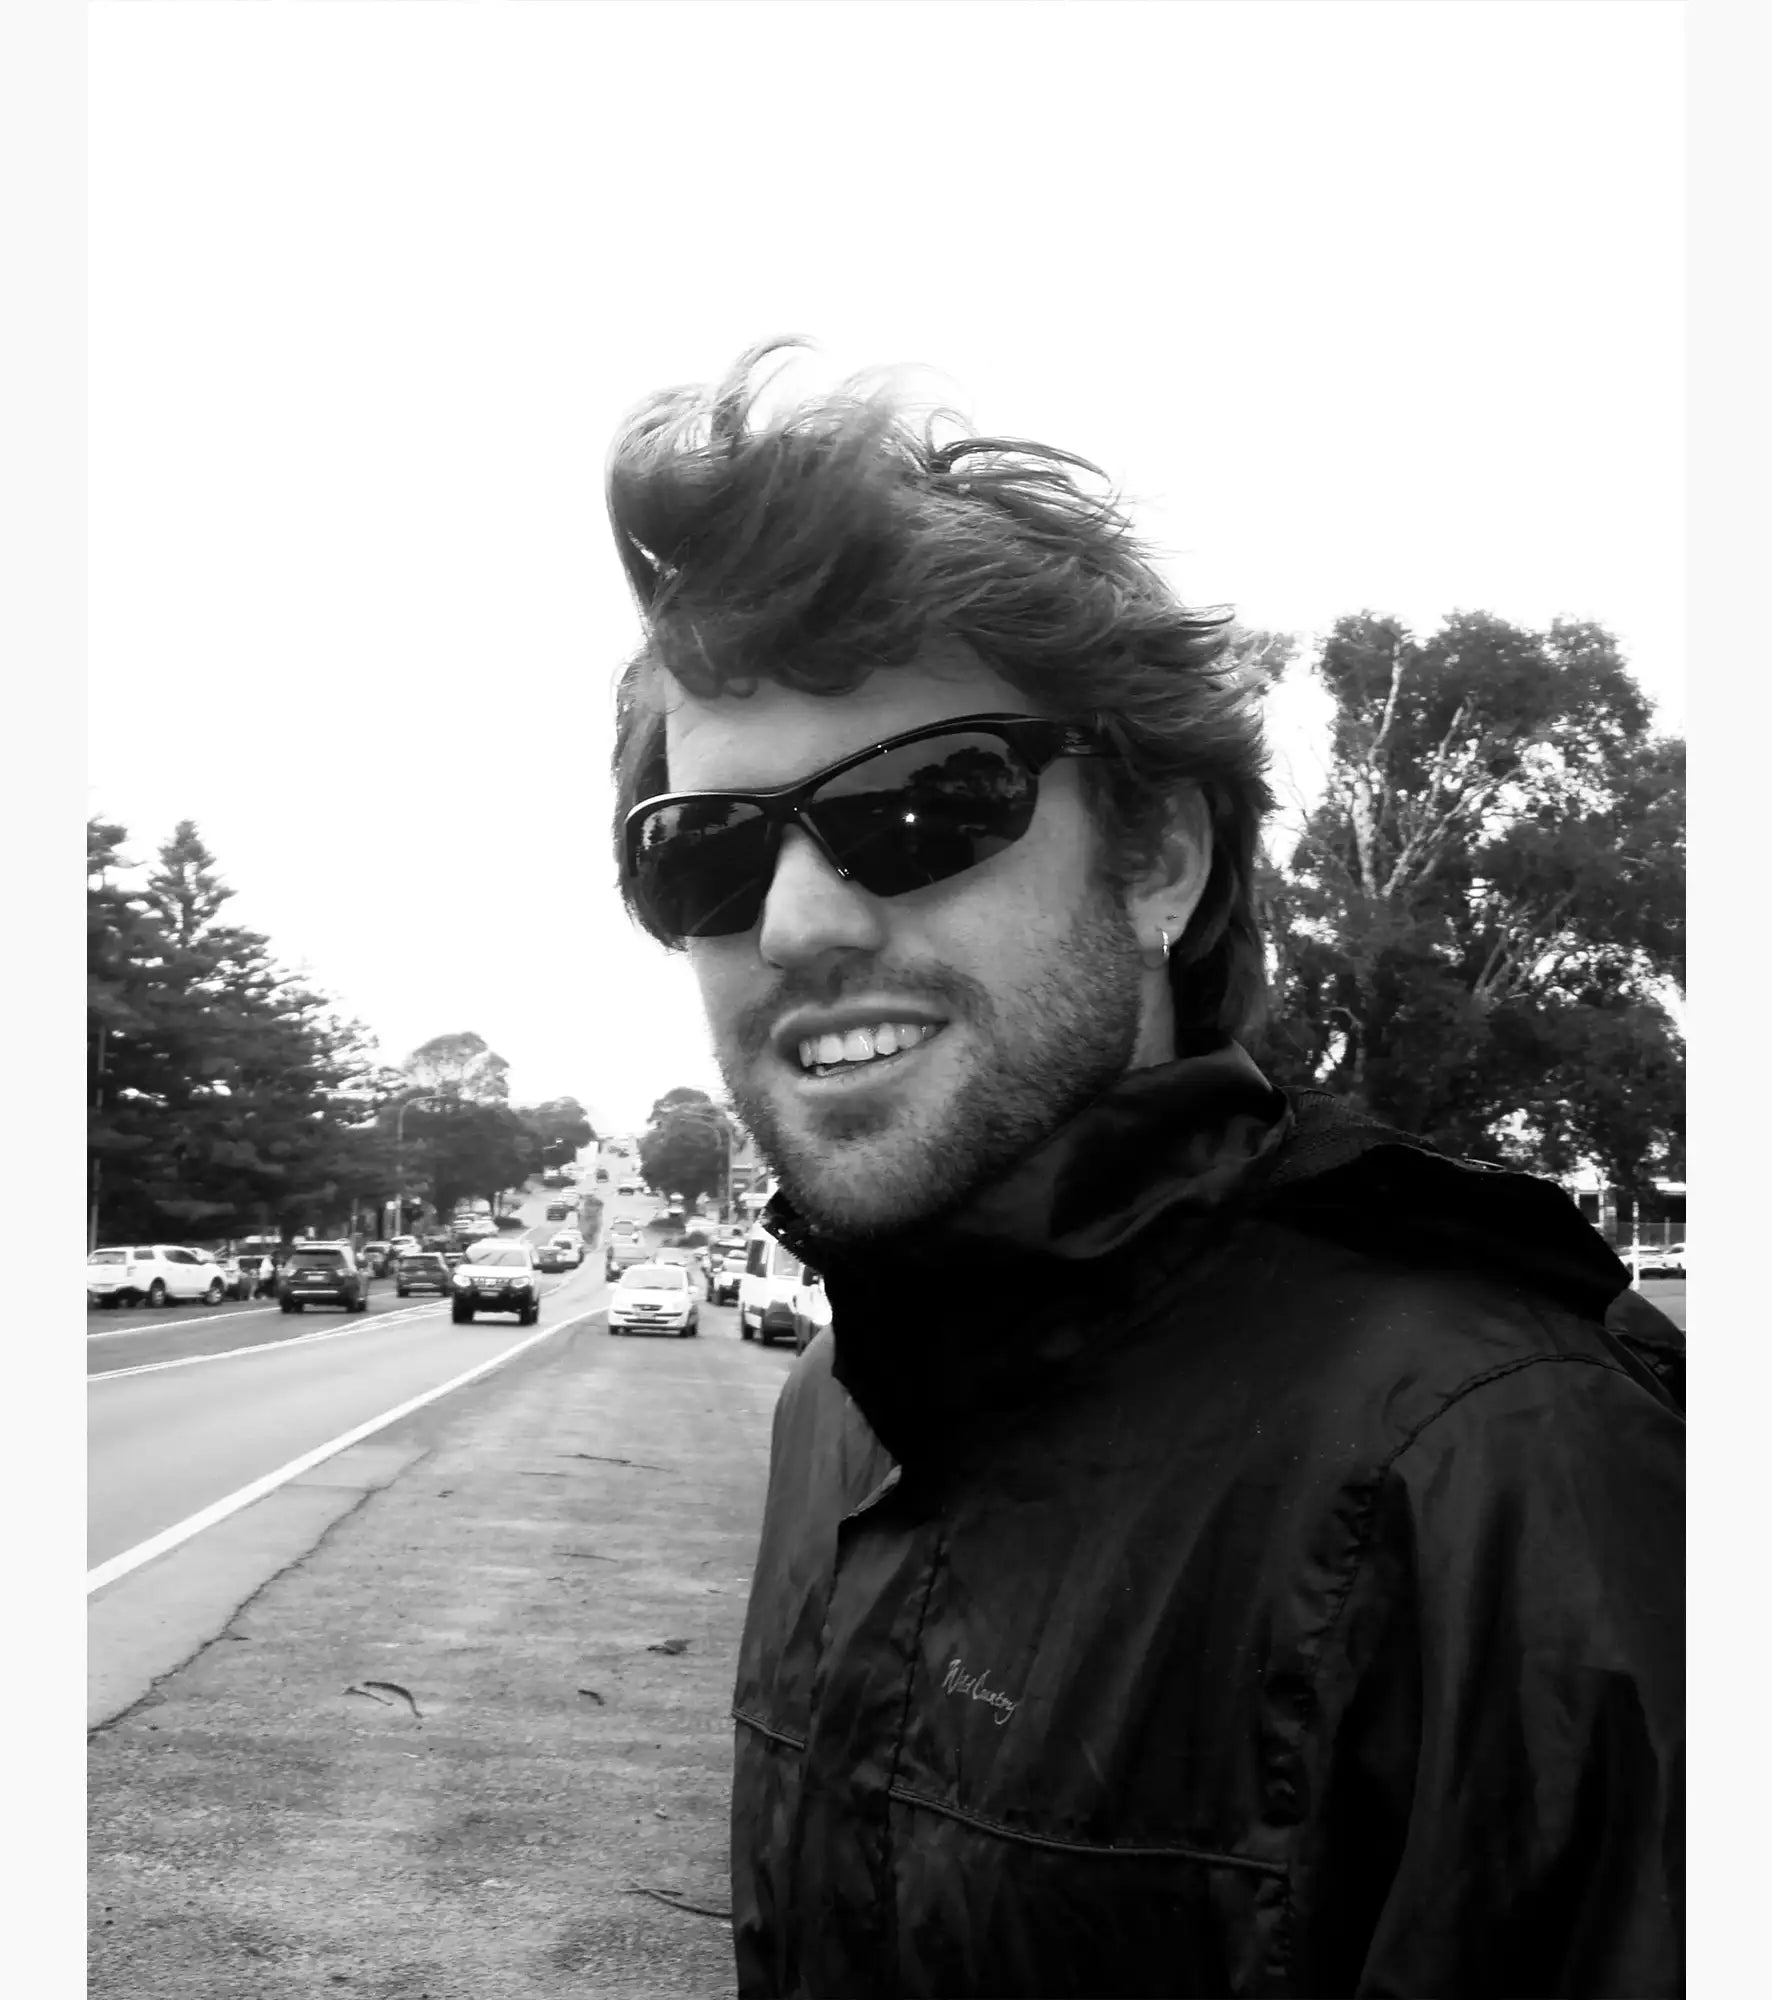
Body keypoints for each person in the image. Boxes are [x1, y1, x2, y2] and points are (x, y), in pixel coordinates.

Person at [605, 341, 1684, 2000]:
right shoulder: (840, 1410)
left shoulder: (1503, 1462)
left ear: (1161, 858)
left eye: (923, 803)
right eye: (711, 852)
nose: (802, 923)